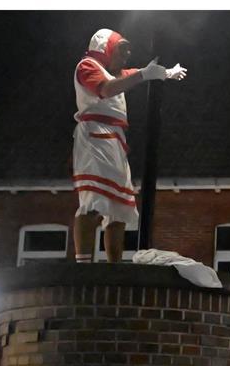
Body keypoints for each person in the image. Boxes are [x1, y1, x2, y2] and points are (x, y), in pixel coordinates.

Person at [71, 28, 186, 264]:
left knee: (118, 209)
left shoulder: (114, 72)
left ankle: (114, 266)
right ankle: (82, 264)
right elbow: (106, 89)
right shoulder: (88, 66)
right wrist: (145, 74)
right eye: (122, 50)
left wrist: (164, 73)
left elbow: (129, 74)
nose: (127, 54)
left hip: (114, 139)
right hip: (95, 136)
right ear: (105, 49)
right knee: (93, 200)